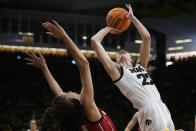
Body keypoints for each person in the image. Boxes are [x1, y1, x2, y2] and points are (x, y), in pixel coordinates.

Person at [91, 3, 175, 131]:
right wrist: (109, 27)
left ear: (132, 60)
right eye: (117, 56)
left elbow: (146, 38)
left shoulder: (141, 66)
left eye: (124, 52)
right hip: (148, 109)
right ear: (116, 62)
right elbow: (94, 41)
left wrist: (132, 18)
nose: (120, 52)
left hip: (161, 106)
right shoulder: (117, 72)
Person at [24, 21, 116, 131]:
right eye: (69, 93)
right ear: (73, 104)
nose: (70, 91)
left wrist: (44, 68)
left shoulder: (74, 115)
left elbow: (58, 92)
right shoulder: (88, 107)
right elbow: (84, 64)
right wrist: (64, 36)